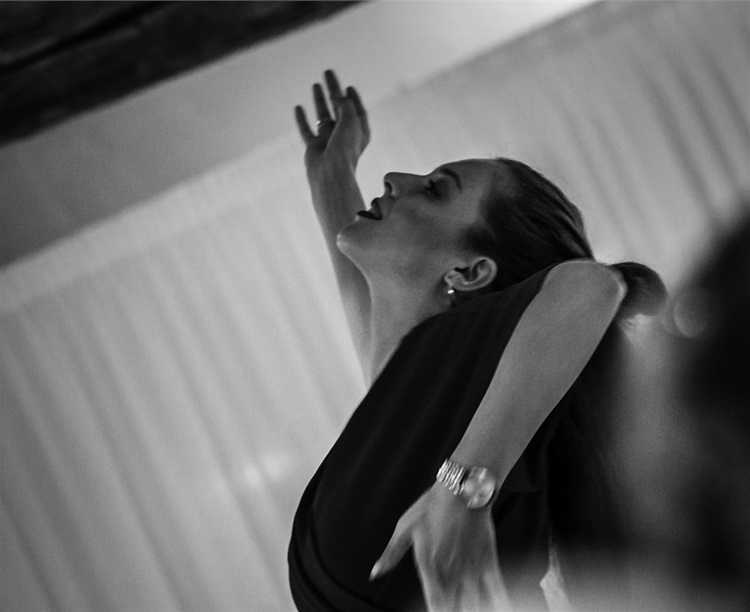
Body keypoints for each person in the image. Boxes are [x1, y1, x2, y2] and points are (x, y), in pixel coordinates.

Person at [287, 70, 666, 612]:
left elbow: (592, 284)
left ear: (469, 271)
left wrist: (463, 494)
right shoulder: (418, 394)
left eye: (435, 189)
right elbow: (366, 307)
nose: (394, 177)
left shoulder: (458, 392)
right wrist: (332, 174)